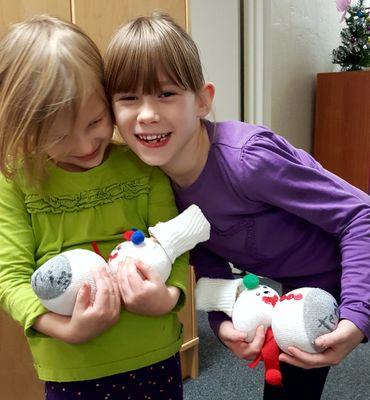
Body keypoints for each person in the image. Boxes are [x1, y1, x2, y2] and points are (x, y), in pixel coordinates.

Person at [104, 13, 370, 400]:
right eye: (129, 98)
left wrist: (358, 314)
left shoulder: (248, 161)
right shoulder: (159, 183)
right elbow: (207, 253)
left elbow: (360, 214)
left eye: (166, 93)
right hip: (302, 290)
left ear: (203, 100)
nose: (147, 114)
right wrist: (220, 319)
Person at [0, 15, 189, 400]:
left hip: (154, 353)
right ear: (24, 128)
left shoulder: (142, 166)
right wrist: (64, 328)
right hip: (72, 365)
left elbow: (175, 246)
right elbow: (11, 279)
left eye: (97, 121)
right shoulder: (16, 184)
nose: (86, 144)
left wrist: (168, 297)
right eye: (57, 135)